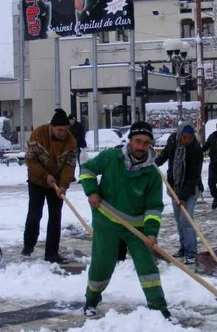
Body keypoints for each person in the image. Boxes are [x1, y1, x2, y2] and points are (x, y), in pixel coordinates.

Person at [78, 121, 172, 321]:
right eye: (137, 141)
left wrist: (151, 232)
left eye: (146, 143)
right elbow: (87, 170)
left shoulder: (152, 174)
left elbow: (154, 207)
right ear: (130, 141)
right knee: (102, 264)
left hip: (136, 227)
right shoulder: (111, 157)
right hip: (107, 220)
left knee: (148, 267)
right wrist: (92, 191)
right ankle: (91, 300)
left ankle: (158, 307)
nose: (140, 147)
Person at [21, 109, 78, 263]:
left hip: (57, 184)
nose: (63, 133)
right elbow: (30, 159)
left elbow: (69, 166)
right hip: (37, 180)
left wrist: (63, 185)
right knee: (34, 214)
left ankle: (52, 253)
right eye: (59, 130)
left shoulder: (71, 142)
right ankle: (28, 245)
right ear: (51, 127)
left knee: (55, 216)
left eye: (66, 130)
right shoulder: (38, 134)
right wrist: (45, 176)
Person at [155, 123, 203, 265]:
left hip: (190, 189)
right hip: (174, 187)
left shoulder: (196, 149)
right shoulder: (173, 141)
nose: (186, 140)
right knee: (179, 220)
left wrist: (182, 196)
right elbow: (164, 155)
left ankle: (191, 252)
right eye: (184, 137)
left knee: (187, 221)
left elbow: (193, 176)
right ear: (179, 135)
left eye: (189, 138)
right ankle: (183, 247)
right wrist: (155, 163)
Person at [69, 113, 87, 180]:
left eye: (71, 120)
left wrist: (79, 144)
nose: (70, 122)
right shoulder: (68, 127)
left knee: (81, 162)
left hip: (80, 146)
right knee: (71, 162)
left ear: (74, 120)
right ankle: (71, 177)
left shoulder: (79, 126)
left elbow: (82, 136)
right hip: (71, 147)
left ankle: (81, 176)